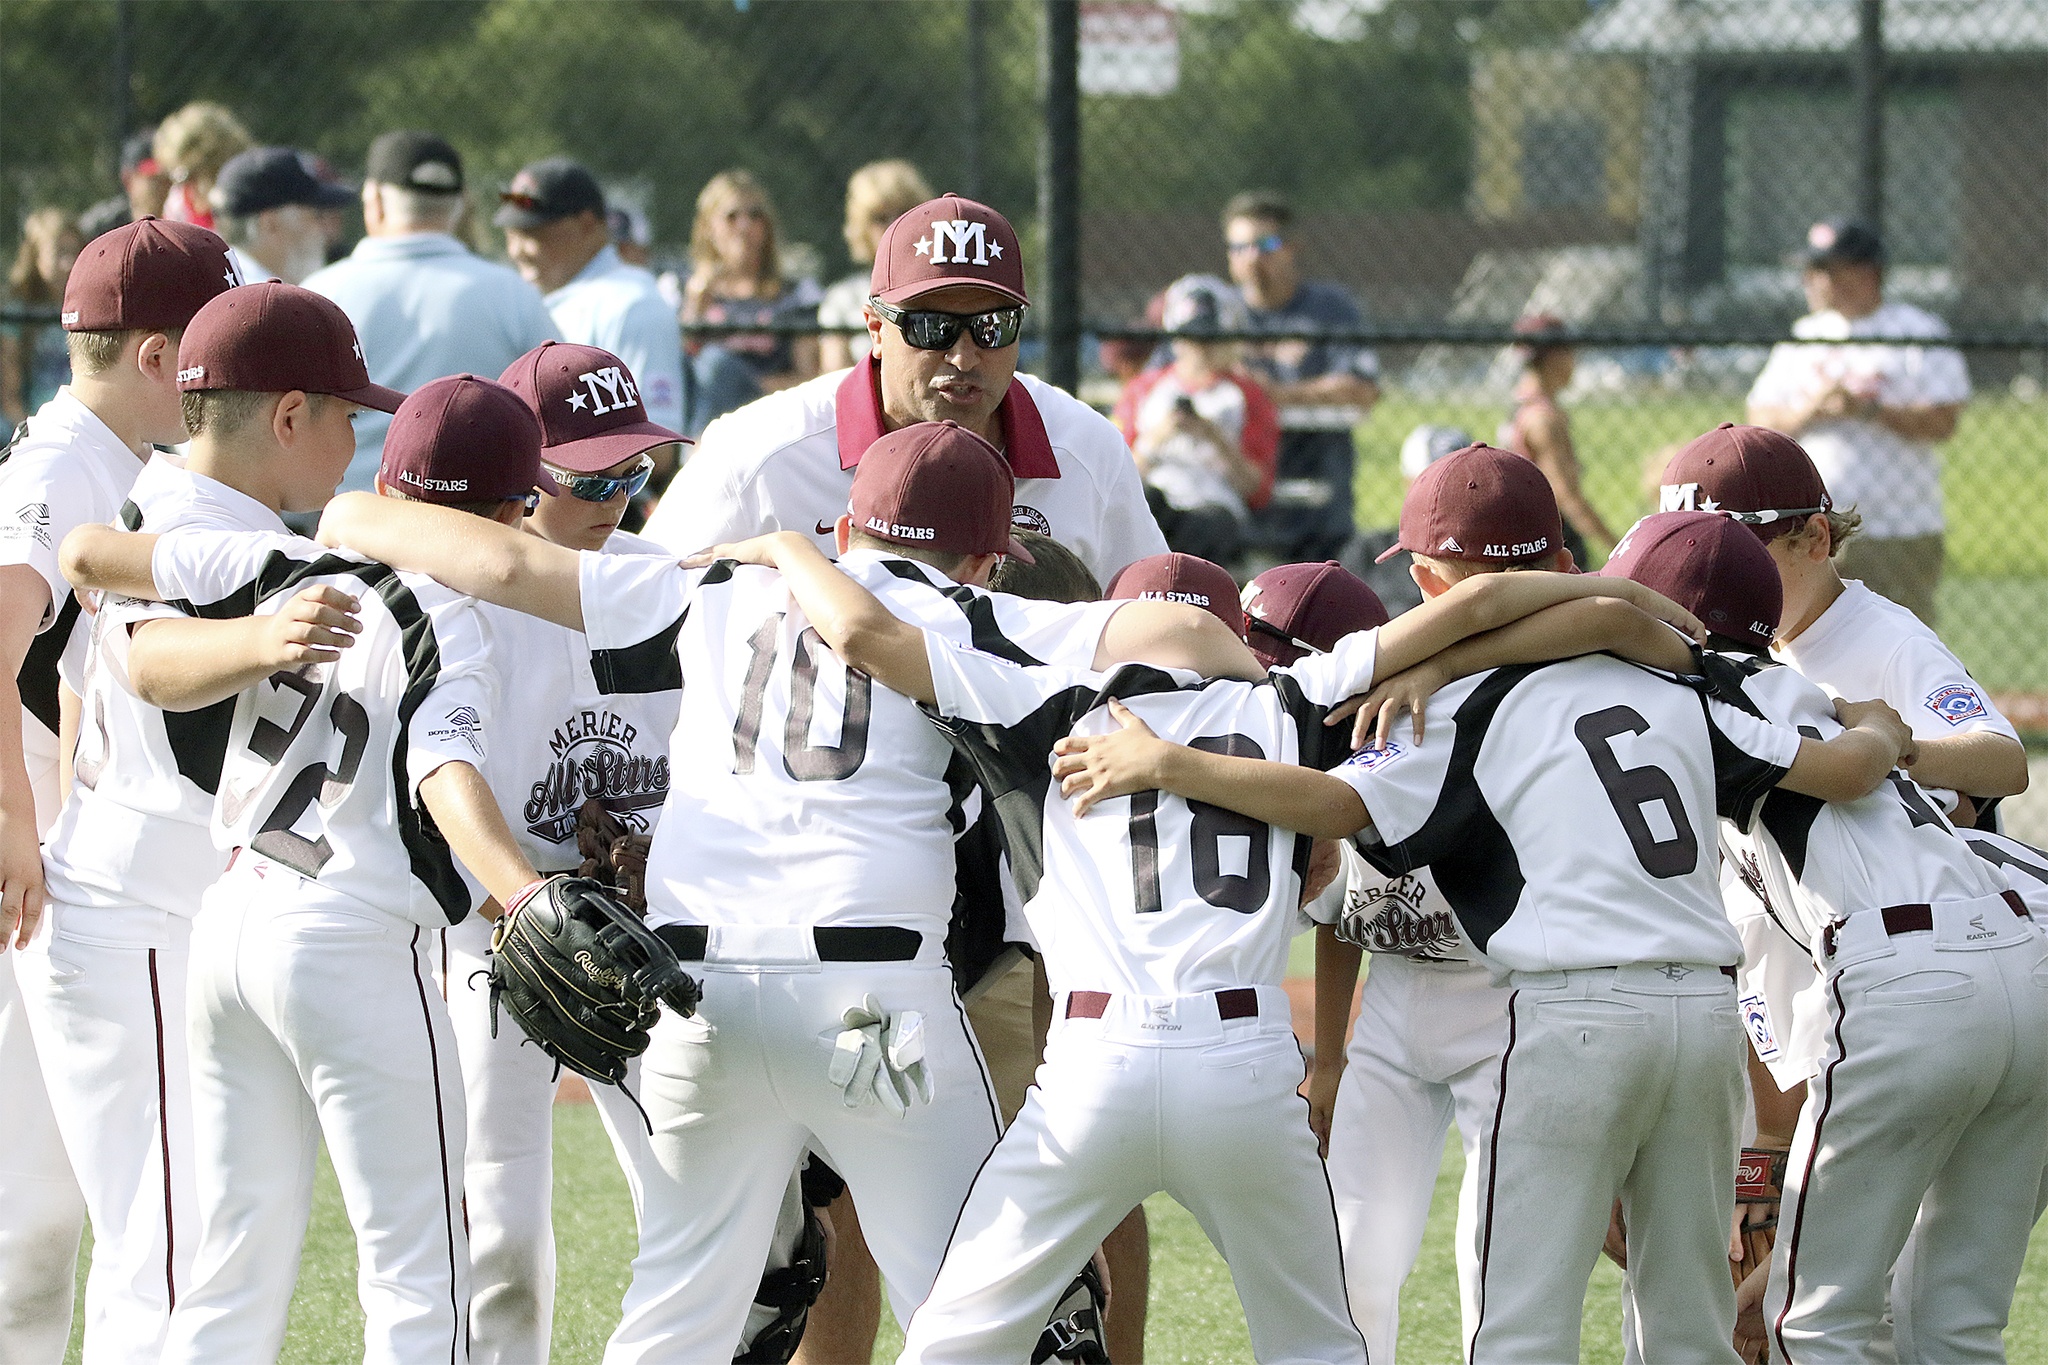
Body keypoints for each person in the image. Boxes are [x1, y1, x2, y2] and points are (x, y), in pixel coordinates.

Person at [708, 467, 1722, 1365]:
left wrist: (787, 545)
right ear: (1228, 632)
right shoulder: (1287, 703)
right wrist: (1619, 590)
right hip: (1241, 1064)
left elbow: (865, 631)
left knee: (956, 1338)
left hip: (1093, 1071)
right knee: (1319, 1341)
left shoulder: (1039, 709)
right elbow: (1488, 601)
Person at [310, 419, 1162, 1361]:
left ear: (846, 529)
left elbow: (507, 568)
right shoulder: (975, 617)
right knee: (978, 1294)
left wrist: (356, 507)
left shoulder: (719, 586)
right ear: (987, 557)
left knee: (677, 1307)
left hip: (698, 1001)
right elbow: (1171, 629)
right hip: (869, 1007)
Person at [1059, 444, 1915, 1363]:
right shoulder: (1683, 675)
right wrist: (1883, 724)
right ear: (1563, 569)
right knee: (1685, 1321)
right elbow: (1835, 756)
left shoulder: (1457, 695)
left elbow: (1344, 806)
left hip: (1568, 1009)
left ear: (1426, 577)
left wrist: (1173, 764)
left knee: (1515, 1322)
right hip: (1702, 1011)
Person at [58, 328, 557, 1365]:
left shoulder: (285, 559)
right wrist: (524, 891)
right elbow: (443, 774)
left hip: (230, 925)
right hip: (354, 941)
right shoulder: (449, 615)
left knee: (230, 1266)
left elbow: (85, 554)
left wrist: (247, 626)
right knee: (421, 1275)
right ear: (510, 516)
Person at [1581, 510, 2048, 1364]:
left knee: (1815, 1323)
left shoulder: (1696, 702)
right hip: (2023, 958)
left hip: (1911, 979)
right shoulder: (1806, 688)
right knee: (1954, 1323)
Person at [0, 213, 233, 1365]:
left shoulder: (119, 460)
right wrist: (12, 822)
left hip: (62, 863)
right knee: (39, 1231)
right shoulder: (63, 463)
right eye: (208, 340)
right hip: (35, 872)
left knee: (42, 1226)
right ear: (155, 357)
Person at [439, 340, 688, 1365]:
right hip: (494, 933)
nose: (619, 497)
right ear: (517, 477)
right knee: (495, 1239)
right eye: (590, 477)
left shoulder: (660, 580)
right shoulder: (461, 590)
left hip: (653, 939)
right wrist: (525, 895)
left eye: (636, 472)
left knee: (720, 1212)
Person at [643, 192, 1165, 586]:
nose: (963, 356)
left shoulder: (1087, 452)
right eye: (931, 327)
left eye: (993, 327)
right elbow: (638, 604)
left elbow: (1153, 630)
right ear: (874, 329)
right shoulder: (759, 455)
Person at [1659, 423, 2027, 831]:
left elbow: (2005, 760)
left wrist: (1884, 752)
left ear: (1816, 538)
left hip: (1930, 888)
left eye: (1741, 561)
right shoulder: (1743, 639)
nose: (1713, 584)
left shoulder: (1887, 641)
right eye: (1691, 562)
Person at [305, 130, 557, 495]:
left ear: (374, 200)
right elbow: (557, 415)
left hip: (345, 522)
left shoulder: (320, 292)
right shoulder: (515, 294)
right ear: (461, 204)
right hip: (481, 521)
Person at [1744, 219, 1968, 626]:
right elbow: (1759, 419)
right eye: (1812, 270)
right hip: (1816, 526)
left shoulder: (1915, 331)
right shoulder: (1805, 334)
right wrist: (1812, 410)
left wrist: (1867, 410)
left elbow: (1944, 420)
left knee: (1906, 639)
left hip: (1900, 525)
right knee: (1814, 640)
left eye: (1827, 270)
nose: (1812, 280)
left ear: (1868, 273)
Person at [1223, 190, 1379, 563]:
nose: (1254, 257)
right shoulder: (1215, 311)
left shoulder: (1330, 308)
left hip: (1318, 490)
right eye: (1240, 247)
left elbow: (1361, 388)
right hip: (1230, 483)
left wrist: (1274, 394)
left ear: (1292, 248)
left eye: (1267, 244)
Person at [497, 157, 685, 456]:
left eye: (532, 232)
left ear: (586, 224)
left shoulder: (631, 304)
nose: (518, 250)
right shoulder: (528, 298)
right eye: (512, 234)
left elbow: (659, 450)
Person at [1113, 275, 1278, 568]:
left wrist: (1213, 435)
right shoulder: (1143, 389)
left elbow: (1257, 488)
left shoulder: (1246, 395)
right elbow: (1118, 473)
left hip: (1214, 506)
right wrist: (1160, 436)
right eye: (1191, 338)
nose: (1199, 349)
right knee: (1144, 508)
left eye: (1209, 339)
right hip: (1158, 501)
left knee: (1212, 527)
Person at [679, 170, 822, 433]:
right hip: (705, 414)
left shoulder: (794, 295)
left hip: (769, 411)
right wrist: (694, 306)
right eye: (731, 217)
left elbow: (809, 376)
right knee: (713, 363)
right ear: (708, 227)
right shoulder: (682, 289)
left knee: (718, 364)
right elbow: (676, 371)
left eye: (755, 216)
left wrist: (739, 383)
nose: (744, 227)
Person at [1497, 312, 1614, 566]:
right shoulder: (1544, 420)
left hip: (1523, 535)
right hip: (1554, 540)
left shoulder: (1520, 405)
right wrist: (1617, 546)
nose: (1574, 361)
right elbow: (1567, 496)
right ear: (1554, 357)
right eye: (1570, 352)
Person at [817, 160, 933, 374]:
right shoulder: (842, 299)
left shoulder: (945, 287)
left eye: (903, 213)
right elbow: (836, 377)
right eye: (880, 218)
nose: (893, 225)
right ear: (861, 227)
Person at [209, 147, 355, 285]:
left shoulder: (233, 285)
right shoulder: (259, 303)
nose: (324, 231)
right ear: (270, 224)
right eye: (316, 215)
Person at [2, 209, 83, 426]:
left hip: (81, 426)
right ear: (36, 255)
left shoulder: (89, 311)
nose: (69, 262)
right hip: (26, 429)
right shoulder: (17, 314)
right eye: (60, 252)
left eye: (75, 252)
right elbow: (9, 395)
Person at [151, 103, 252, 232]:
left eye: (192, 174)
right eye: (180, 176)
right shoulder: (178, 202)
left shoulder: (246, 196)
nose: (187, 185)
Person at [79, 129, 170, 243]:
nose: (164, 183)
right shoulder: (100, 228)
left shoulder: (181, 215)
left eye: (167, 175)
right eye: (153, 178)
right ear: (128, 180)